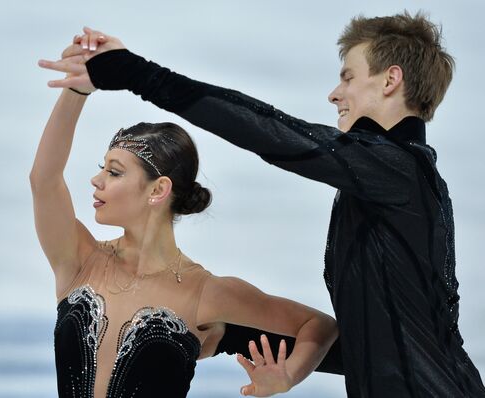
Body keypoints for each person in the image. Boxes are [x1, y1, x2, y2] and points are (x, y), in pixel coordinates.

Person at [38, 11, 485, 397]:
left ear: (391, 79)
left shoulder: (397, 169)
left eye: (348, 75)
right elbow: (382, 346)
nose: (334, 93)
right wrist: (231, 337)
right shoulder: (378, 187)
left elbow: (271, 133)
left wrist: (137, 74)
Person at [29, 80, 337, 396]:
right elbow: (44, 181)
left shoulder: (205, 293)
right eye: (102, 169)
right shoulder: (80, 260)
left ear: (158, 190)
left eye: (114, 172)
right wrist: (77, 90)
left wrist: (287, 377)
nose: (96, 180)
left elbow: (319, 326)